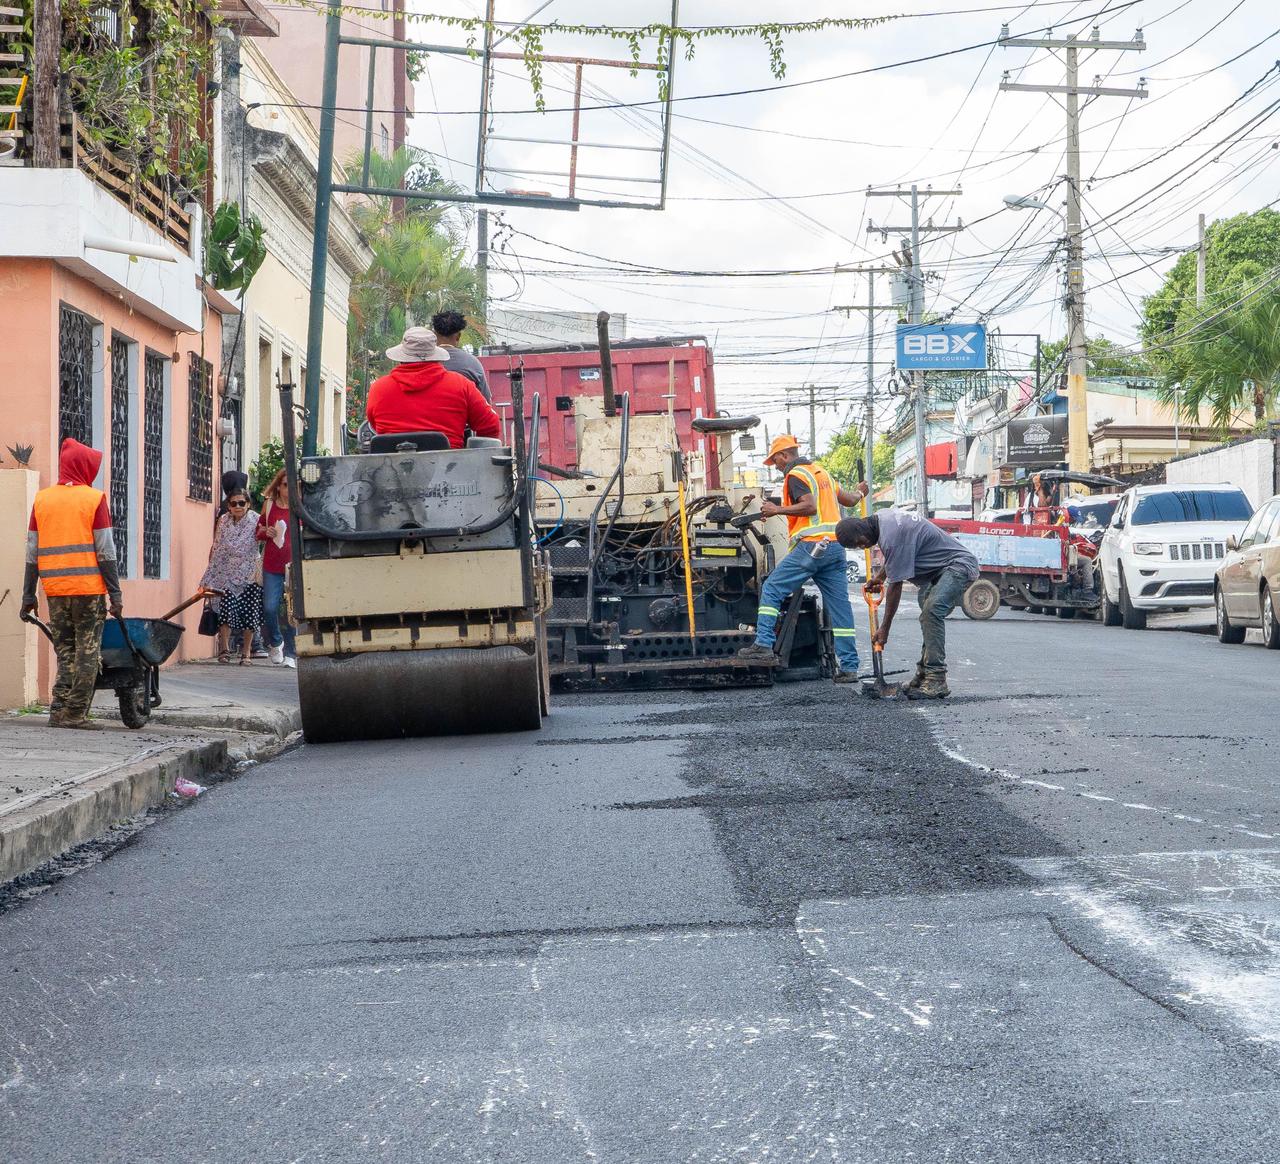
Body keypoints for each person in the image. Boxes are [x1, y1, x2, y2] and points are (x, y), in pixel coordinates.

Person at [736, 434, 862, 682]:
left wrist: (776, 509)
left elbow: (810, 506)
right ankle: (849, 667)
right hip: (835, 548)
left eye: (777, 462)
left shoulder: (796, 476)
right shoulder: (821, 473)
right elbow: (849, 499)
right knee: (840, 608)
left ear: (784, 455)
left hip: (813, 548)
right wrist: (861, 492)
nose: (778, 467)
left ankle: (763, 644)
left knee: (772, 587)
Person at [20, 438, 123, 729]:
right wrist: (115, 594)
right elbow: (106, 551)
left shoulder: (42, 499)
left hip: (54, 589)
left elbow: (31, 552)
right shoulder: (93, 498)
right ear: (84, 467)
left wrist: (29, 595)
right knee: (88, 652)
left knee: (65, 651)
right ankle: (75, 714)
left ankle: (58, 710)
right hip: (88, 590)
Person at [835, 500, 980, 699]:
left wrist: (884, 628)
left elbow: (896, 586)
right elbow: (897, 556)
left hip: (958, 566)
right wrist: (880, 578)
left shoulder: (892, 536)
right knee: (928, 617)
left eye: (860, 545)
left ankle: (936, 679)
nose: (863, 548)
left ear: (861, 538)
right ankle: (924, 675)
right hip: (940, 570)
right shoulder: (884, 518)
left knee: (932, 611)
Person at [366, 327, 500, 447]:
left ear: (401, 356)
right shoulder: (461, 385)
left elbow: (374, 425)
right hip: (451, 470)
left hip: (391, 470)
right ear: (435, 355)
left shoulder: (378, 389)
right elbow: (491, 425)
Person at [201, 487, 263, 665]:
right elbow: (218, 547)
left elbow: (264, 538)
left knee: (250, 615)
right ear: (228, 506)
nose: (238, 506)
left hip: (250, 572)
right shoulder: (223, 521)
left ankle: (246, 654)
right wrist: (209, 576)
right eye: (234, 503)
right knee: (225, 611)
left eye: (242, 503)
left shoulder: (256, 520)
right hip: (226, 572)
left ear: (248, 504)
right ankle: (224, 650)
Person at [256, 470, 296, 670]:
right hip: (272, 564)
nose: (289, 488)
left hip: (294, 566)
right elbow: (258, 530)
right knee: (270, 607)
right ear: (279, 486)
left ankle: (291, 653)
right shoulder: (269, 505)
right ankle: (276, 642)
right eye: (286, 484)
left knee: (293, 611)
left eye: (294, 484)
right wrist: (267, 532)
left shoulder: (300, 506)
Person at [430, 309, 492, 400]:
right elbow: (486, 401)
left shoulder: (422, 361)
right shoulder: (472, 363)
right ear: (458, 336)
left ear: (434, 334)